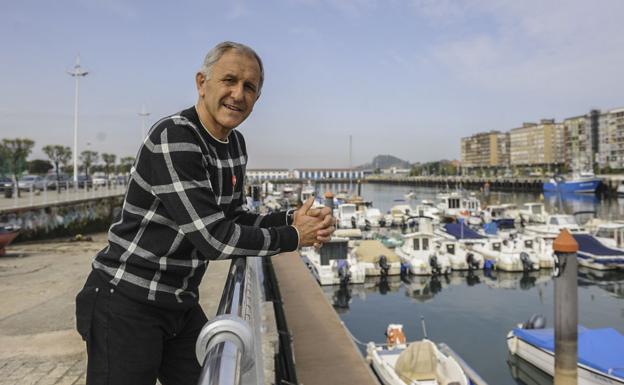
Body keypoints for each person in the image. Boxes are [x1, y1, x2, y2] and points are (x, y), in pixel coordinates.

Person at [75, 41, 335, 385]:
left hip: (178, 301)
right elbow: (213, 237)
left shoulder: (236, 144)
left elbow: (235, 217)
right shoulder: (176, 136)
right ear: (202, 83)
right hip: (126, 299)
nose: (238, 94)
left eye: (250, 87)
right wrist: (293, 237)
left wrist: (293, 219)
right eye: (229, 80)